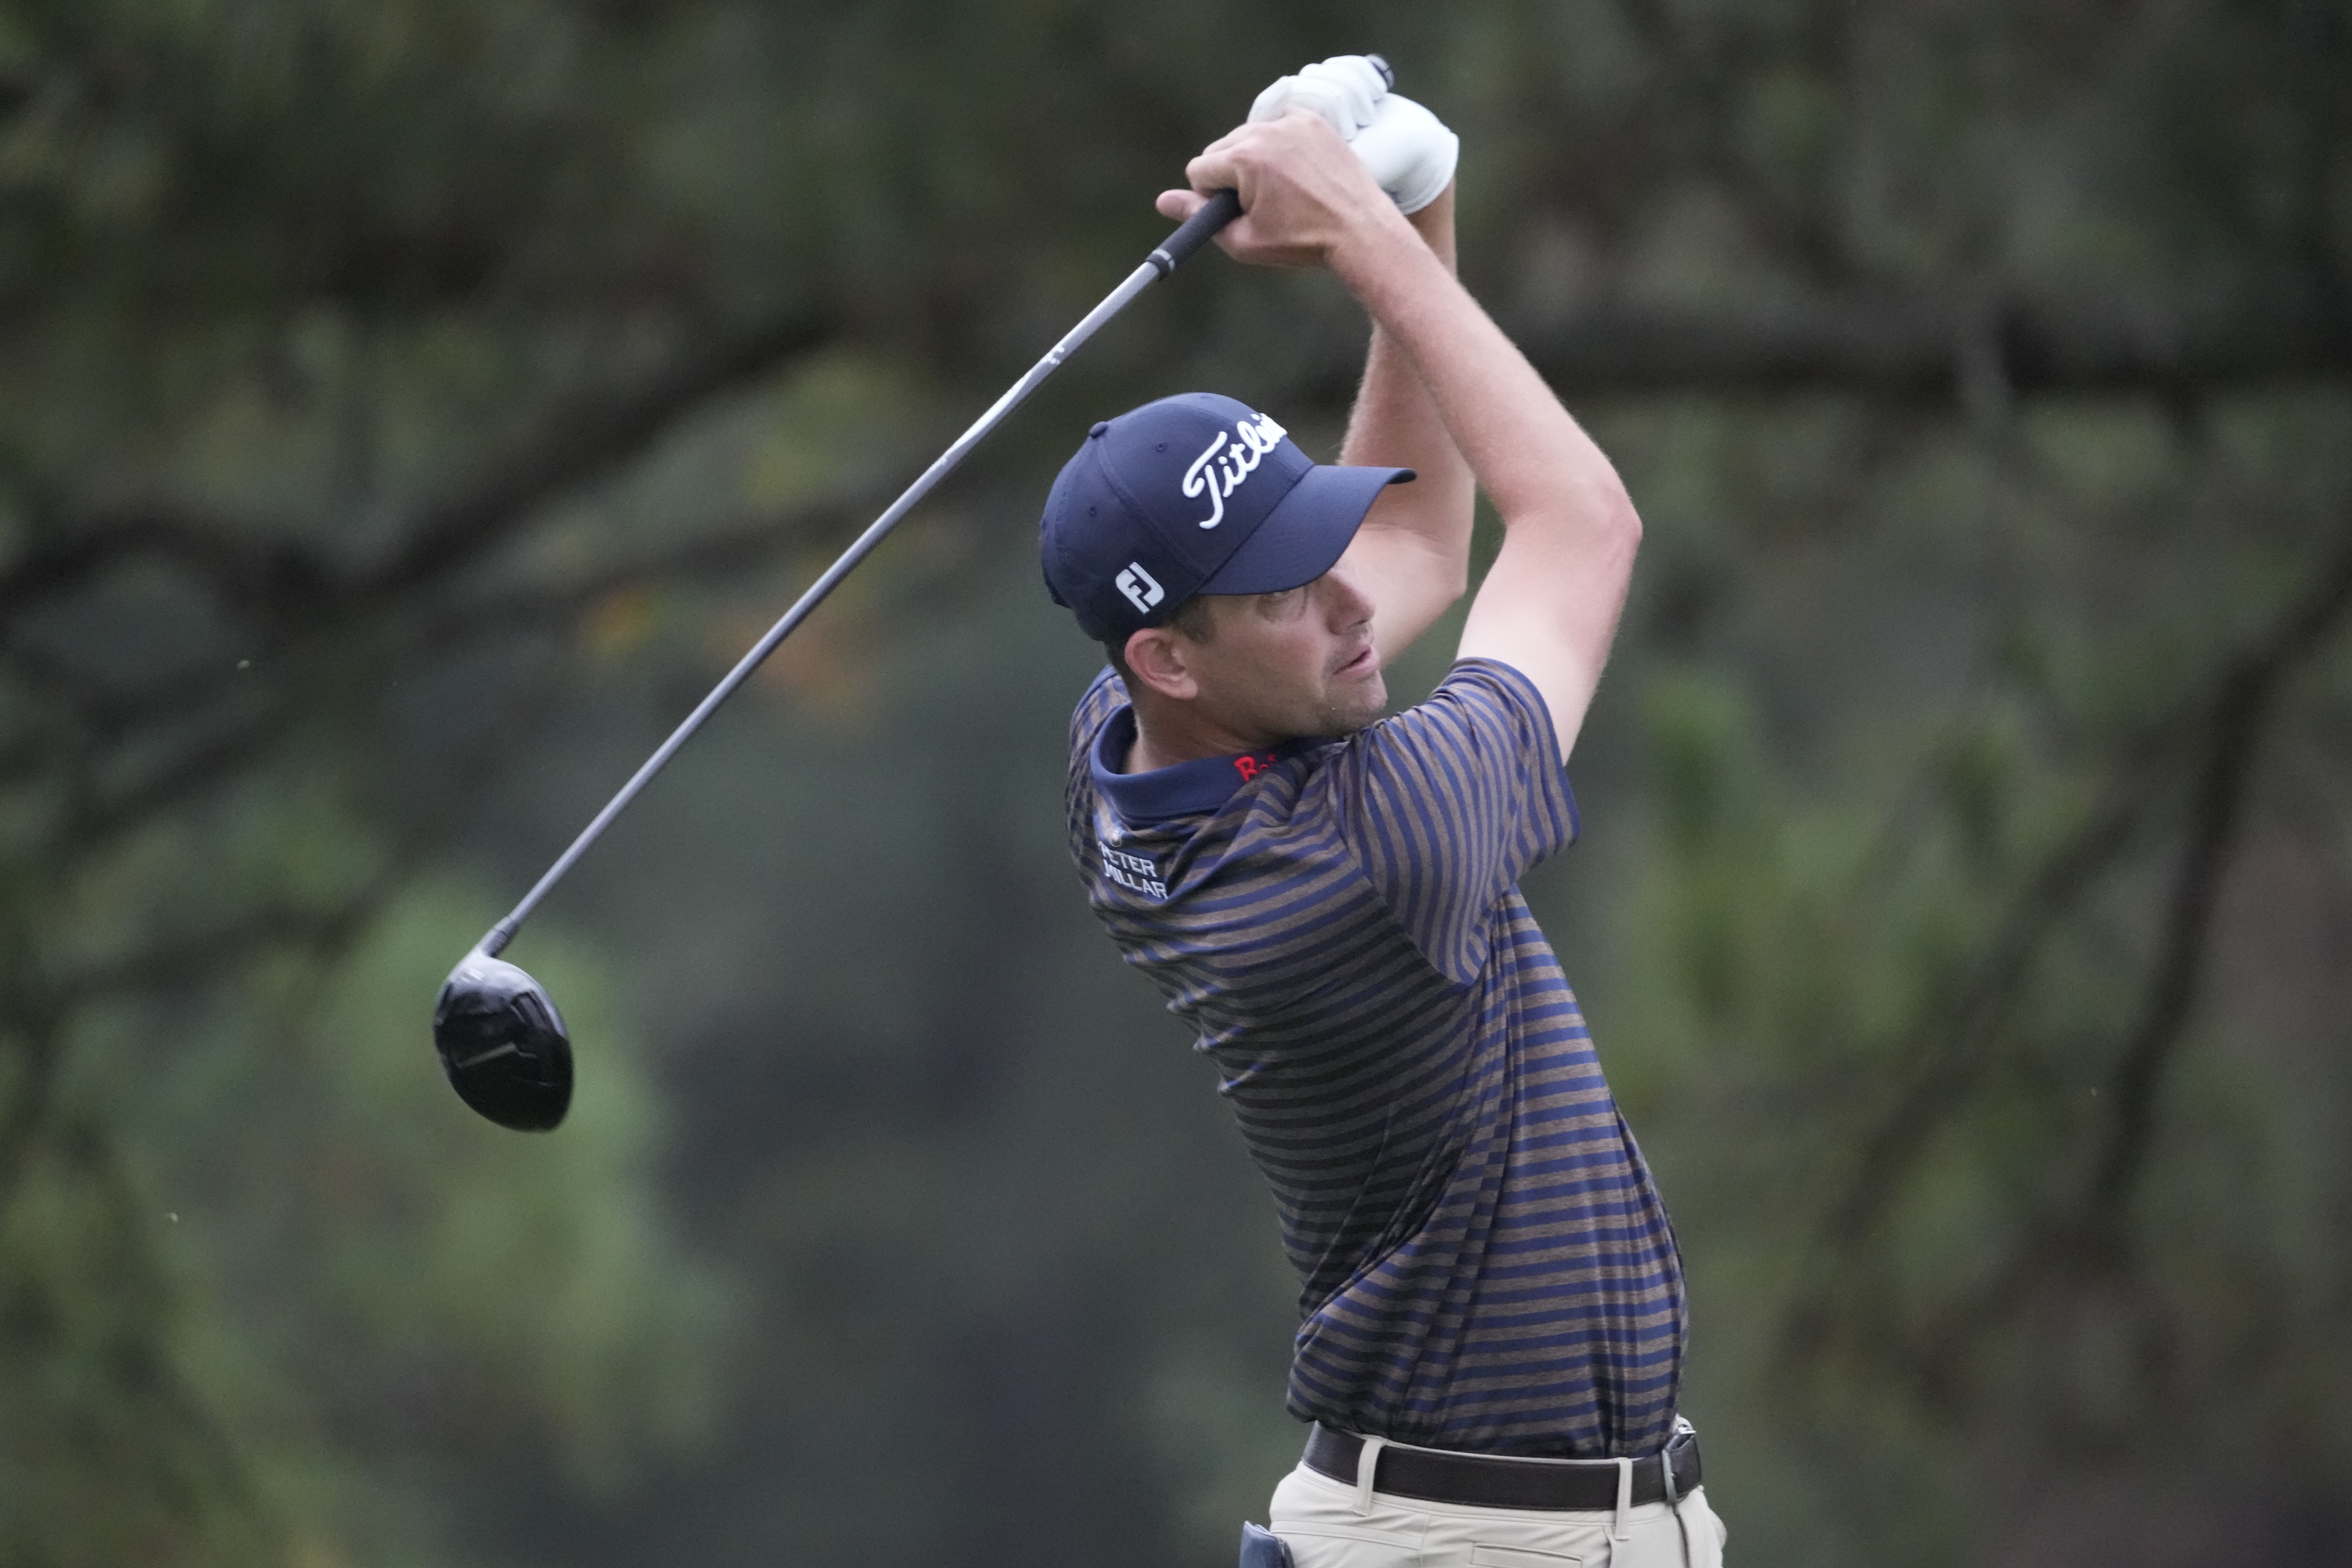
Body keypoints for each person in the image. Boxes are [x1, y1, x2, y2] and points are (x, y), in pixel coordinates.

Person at [1038, 58, 1727, 1568]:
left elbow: (1415, 524)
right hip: (1465, 1542)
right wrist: (1357, 231)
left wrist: (1414, 201)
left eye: (1313, 539)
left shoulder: (1134, 745)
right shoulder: (1359, 853)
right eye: (1291, 588)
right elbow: (1580, 526)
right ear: (1172, 653)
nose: (1355, 603)